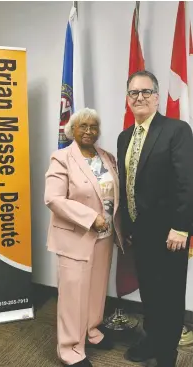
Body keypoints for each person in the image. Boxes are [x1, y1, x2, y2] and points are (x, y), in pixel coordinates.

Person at [117, 70, 193, 367]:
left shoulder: (177, 130)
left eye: (146, 92)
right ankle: (152, 342)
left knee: (171, 298)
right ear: (128, 99)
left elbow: (187, 182)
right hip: (140, 234)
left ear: (157, 97)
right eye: (134, 93)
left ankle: (166, 357)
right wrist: (127, 227)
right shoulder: (125, 137)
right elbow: (128, 183)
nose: (139, 97)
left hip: (170, 234)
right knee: (149, 293)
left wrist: (181, 227)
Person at [44, 107, 123, 367]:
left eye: (94, 126)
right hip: (76, 236)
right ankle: (69, 349)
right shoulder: (62, 157)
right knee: (73, 293)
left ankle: (91, 332)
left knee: (96, 290)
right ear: (72, 130)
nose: (89, 131)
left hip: (105, 236)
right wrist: (91, 218)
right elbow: (53, 198)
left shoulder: (106, 156)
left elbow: (112, 195)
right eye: (83, 126)